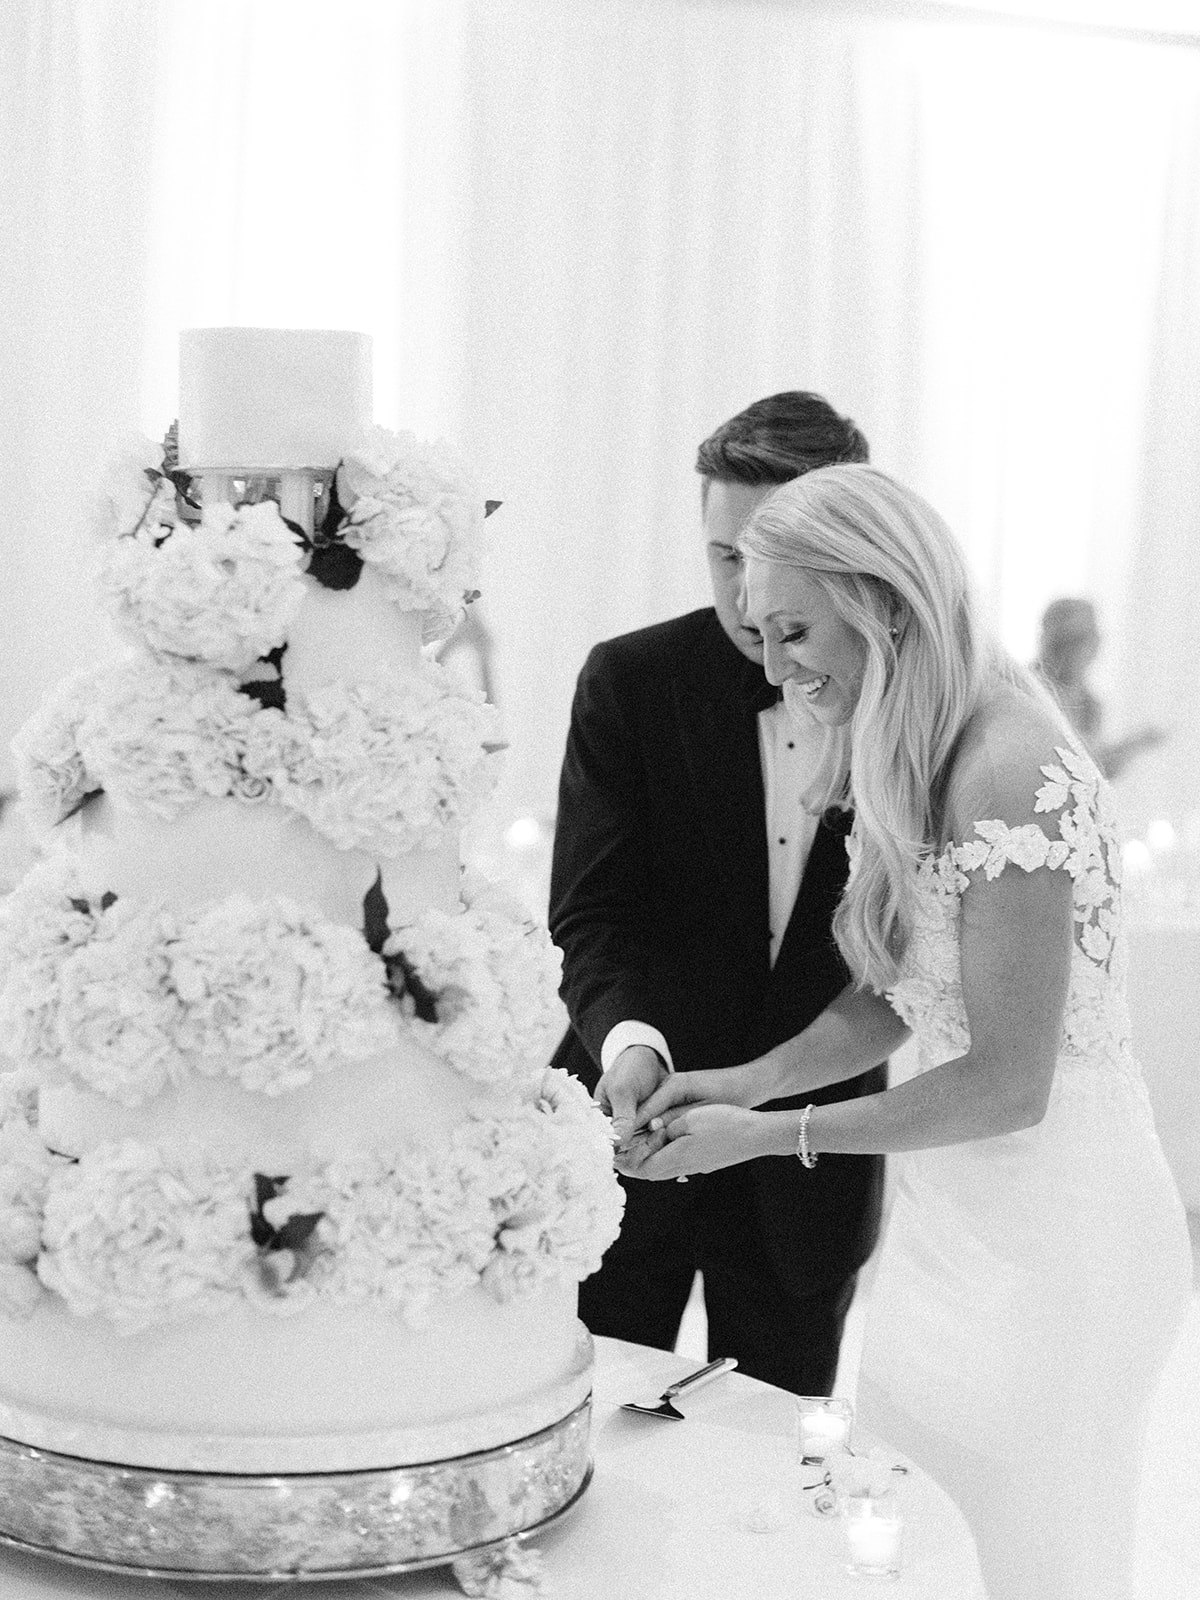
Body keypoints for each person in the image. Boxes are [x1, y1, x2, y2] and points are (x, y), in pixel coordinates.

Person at [618, 464, 1192, 1600]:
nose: (774, 669)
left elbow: (1005, 1081)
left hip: (1055, 1244)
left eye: (792, 631)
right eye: (756, 632)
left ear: (881, 600)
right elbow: (908, 991)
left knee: (1027, 1563)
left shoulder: (1010, 766)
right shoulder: (924, 738)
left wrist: (771, 1136)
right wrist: (754, 1078)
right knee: (905, 1543)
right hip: (950, 1231)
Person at [548, 394, 890, 1395]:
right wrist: (629, 1042)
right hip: (630, 1140)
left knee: (781, 1467)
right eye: (723, 555)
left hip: (808, 1161)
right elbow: (589, 914)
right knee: (597, 1436)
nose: (747, 599)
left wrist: (770, 1092)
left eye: (770, 557)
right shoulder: (630, 680)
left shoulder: (902, 709)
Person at [1033, 595, 1167, 779]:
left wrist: (1134, 745)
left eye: (1085, 638)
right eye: (1069, 640)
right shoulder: (1027, 691)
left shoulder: (1090, 705)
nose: (1077, 650)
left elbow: (1094, 774)